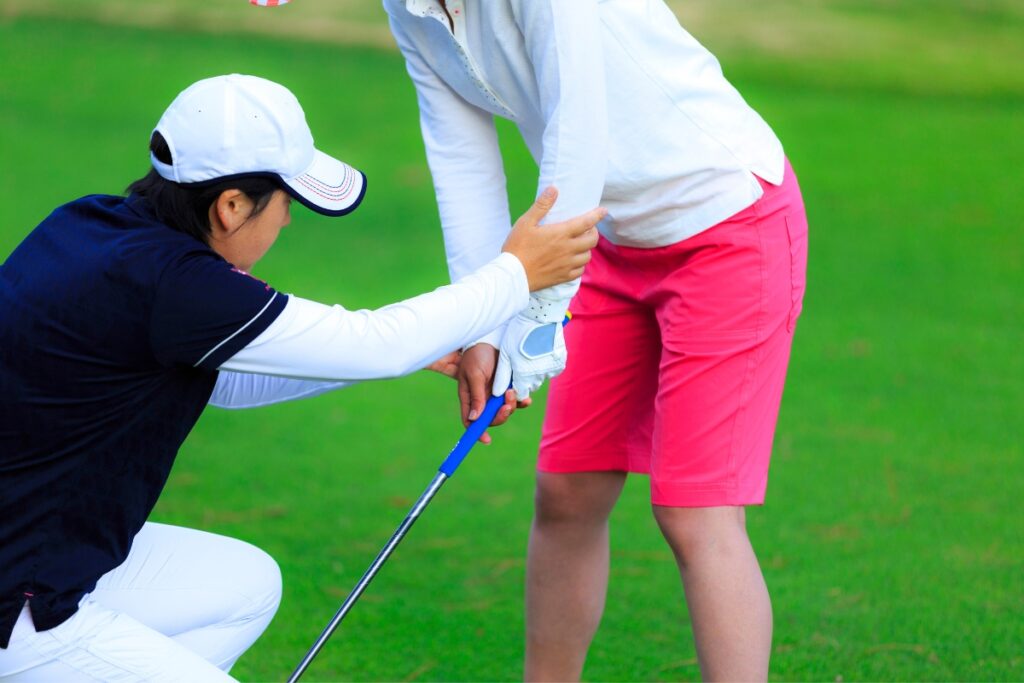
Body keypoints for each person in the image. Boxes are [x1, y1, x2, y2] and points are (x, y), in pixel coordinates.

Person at [0, 73, 603, 681]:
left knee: (243, 585)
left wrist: (419, 348)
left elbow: (225, 381)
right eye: (285, 202)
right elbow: (375, 344)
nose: (287, 221)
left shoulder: (90, 227)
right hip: (20, 605)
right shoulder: (179, 287)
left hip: (36, 555)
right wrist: (516, 273)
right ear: (231, 206)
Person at [383, 1, 809, 680]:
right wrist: (483, 327)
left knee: (695, 514)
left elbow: (577, 133)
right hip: (606, 239)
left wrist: (537, 322)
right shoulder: (407, 9)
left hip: (727, 221)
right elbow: (459, 155)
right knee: (567, 492)